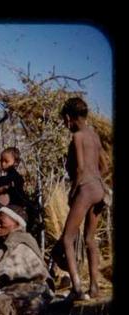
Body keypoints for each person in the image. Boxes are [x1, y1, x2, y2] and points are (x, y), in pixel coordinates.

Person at [52, 97, 109, 300]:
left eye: (65, 121)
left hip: (85, 188)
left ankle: (76, 287)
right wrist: (97, 181)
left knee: (68, 238)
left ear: (69, 118)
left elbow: (80, 168)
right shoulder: (94, 136)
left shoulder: (77, 137)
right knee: (89, 239)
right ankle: (94, 287)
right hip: (99, 189)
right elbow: (105, 165)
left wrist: (73, 190)